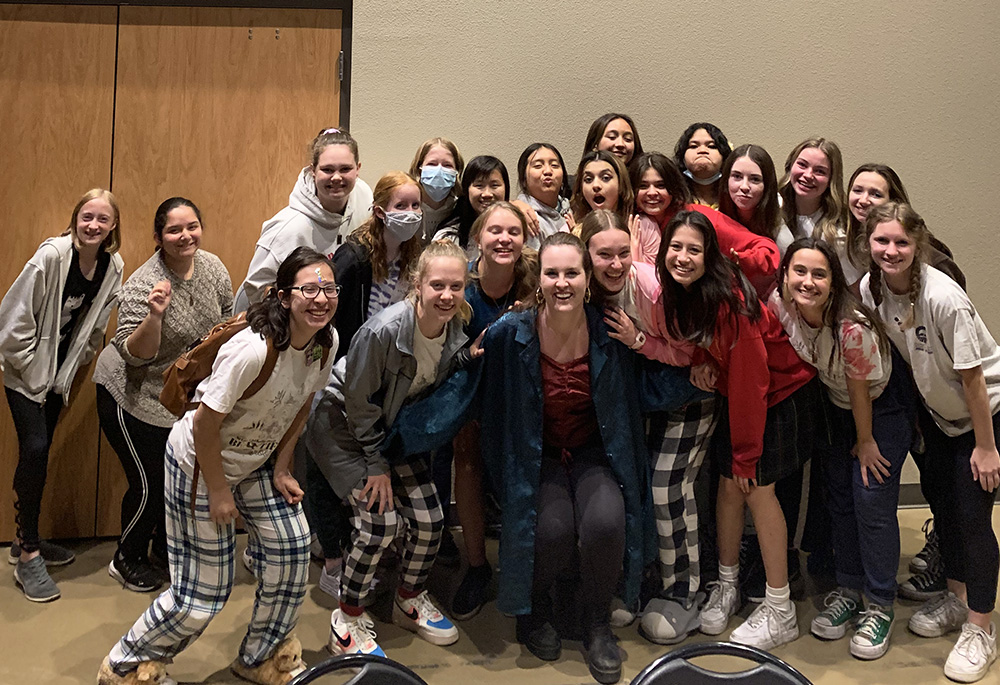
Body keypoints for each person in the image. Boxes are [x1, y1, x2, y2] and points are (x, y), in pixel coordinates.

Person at [98, 247, 339, 685]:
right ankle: (127, 665)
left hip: (253, 461)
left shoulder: (326, 342)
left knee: (291, 546)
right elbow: (206, 424)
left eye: (328, 288)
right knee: (203, 591)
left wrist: (283, 468)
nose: (321, 298)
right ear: (284, 297)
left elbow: (300, 404)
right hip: (199, 462)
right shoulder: (250, 350)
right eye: (309, 289)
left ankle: (261, 657)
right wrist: (219, 491)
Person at [479, 232, 650, 684]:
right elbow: (474, 391)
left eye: (571, 272)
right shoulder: (510, 333)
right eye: (552, 273)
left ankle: (595, 620)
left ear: (586, 278)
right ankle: (534, 610)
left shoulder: (610, 329)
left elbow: (648, 386)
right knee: (552, 529)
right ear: (539, 279)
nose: (562, 283)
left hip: (594, 451)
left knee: (607, 523)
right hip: (541, 456)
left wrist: (703, 375)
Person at [653, 211, 820, 650]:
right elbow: (704, 346)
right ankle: (726, 585)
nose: (684, 257)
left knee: (754, 489)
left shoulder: (730, 300)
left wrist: (747, 454)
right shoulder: (681, 293)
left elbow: (753, 378)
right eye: (676, 247)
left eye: (695, 249)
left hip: (782, 394)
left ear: (711, 256)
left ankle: (780, 609)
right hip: (746, 395)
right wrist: (703, 362)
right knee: (727, 489)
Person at [305, 240, 478, 659]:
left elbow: (429, 375)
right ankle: (346, 619)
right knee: (379, 524)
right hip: (343, 426)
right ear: (417, 284)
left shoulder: (456, 327)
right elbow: (358, 404)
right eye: (437, 284)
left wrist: (466, 357)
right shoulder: (383, 330)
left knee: (430, 519)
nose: (447, 295)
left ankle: (408, 597)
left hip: (390, 428)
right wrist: (376, 463)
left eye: (456, 286)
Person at [861, 202, 1000, 683]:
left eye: (902, 242)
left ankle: (981, 627)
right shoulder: (871, 288)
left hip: (984, 416)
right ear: (868, 244)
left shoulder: (944, 297)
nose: (891, 250)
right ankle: (958, 600)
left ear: (918, 245)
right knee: (943, 509)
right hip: (940, 419)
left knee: (972, 516)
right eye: (881, 241)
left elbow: (975, 381)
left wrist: (985, 447)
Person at [769, 238, 912, 660]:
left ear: (834, 282)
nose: (807, 282)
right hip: (835, 409)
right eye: (799, 271)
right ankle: (848, 588)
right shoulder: (784, 305)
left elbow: (859, 387)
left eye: (819, 274)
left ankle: (880, 603)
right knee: (840, 501)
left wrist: (865, 441)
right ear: (785, 276)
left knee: (871, 499)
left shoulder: (850, 326)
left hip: (879, 408)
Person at [580, 210, 716, 644]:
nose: (615, 264)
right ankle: (639, 582)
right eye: (604, 255)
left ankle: (685, 591)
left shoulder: (650, 286)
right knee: (635, 489)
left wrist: (641, 342)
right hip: (644, 402)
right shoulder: (582, 293)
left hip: (690, 394)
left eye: (624, 253)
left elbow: (695, 353)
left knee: (667, 488)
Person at [93, 197, 233, 593]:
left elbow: (224, 324)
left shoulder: (214, 268)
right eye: (173, 230)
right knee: (150, 482)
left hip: (177, 398)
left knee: (174, 480)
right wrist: (155, 315)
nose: (184, 236)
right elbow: (135, 357)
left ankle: (158, 550)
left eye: (191, 226)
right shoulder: (142, 284)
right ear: (158, 237)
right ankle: (126, 558)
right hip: (131, 394)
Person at [302, 170, 426, 602]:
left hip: (372, 375)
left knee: (352, 468)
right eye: (401, 206)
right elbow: (326, 313)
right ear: (379, 211)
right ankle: (332, 559)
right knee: (320, 464)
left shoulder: (412, 256)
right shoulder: (354, 257)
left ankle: (348, 549)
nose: (410, 214)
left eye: (416, 206)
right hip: (332, 371)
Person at [0, 188, 124, 602]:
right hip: (24, 375)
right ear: (75, 219)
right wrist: (32, 364)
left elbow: (98, 321)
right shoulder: (52, 256)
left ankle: (25, 538)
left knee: (42, 449)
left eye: (102, 220)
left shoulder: (112, 266)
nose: (93, 226)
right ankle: (29, 554)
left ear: (113, 227)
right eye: (87, 217)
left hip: (58, 378)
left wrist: (76, 361)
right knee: (34, 448)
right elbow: (13, 318)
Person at [450, 202, 538, 619]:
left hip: (523, 394)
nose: (504, 239)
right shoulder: (461, 288)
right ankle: (477, 566)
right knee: (466, 460)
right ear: (478, 239)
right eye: (495, 231)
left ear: (524, 240)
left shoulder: (537, 281)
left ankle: (525, 566)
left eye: (514, 232)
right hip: (471, 390)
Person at [235, 128, 373, 311]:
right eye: (327, 169)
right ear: (313, 171)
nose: (337, 177)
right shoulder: (287, 229)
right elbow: (255, 290)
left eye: (345, 169)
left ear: (358, 169)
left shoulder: (364, 199)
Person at [629, 152, 779, 297]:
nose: (652, 193)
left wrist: (739, 259)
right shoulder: (631, 221)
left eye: (660, 185)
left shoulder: (697, 217)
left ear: (673, 188)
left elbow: (767, 249)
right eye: (643, 186)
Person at [844, 163, 965, 289]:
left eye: (876, 194)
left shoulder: (933, 258)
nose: (863, 200)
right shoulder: (849, 242)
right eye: (857, 191)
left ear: (893, 202)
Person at [434, 155, 510, 259]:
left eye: (494, 185)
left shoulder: (518, 230)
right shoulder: (448, 237)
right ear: (466, 190)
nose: (487, 194)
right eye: (479, 185)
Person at [718, 144, 781, 240]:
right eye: (737, 176)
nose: (744, 187)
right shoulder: (714, 222)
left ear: (767, 186)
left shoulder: (781, 237)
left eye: (755, 179)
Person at [408, 137, 465, 242]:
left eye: (447, 165)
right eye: (432, 164)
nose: (439, 170)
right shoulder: (406, 207)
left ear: (457, 171)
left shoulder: (461, 209)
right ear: (419, 169)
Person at [516, 142, 573, 248]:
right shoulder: (523, 216)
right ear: (523, 179)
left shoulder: (571, 208)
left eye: (554, 165)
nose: (548, 171)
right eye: (538, 166)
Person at [674, 123, 733, 208]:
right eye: (694, 146)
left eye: (711, 146)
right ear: (682, 157)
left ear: (724, 157)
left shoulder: (735, 199)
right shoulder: (672, 199)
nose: (702, 150)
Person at [569, 150, 634, 225]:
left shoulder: (641, 227)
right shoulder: (571, 228)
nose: (596, 185)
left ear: (621, 183)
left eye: (605, 178)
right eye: (588, 179)